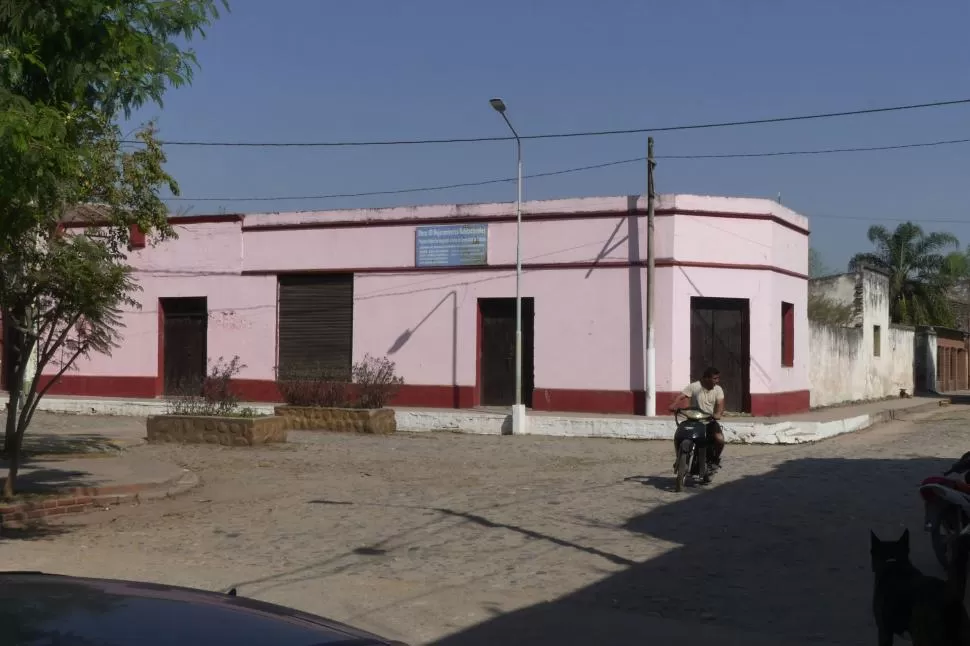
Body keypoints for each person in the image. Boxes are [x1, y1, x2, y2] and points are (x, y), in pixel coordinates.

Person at [668, 366, 726, 467]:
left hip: (709, 420)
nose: (717, 381)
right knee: (679, 436)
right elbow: (682, 396)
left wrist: (718, 414)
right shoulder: (694, 386)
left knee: (719, 439)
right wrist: (674, 404)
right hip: (693, 420)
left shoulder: (718, 389)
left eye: (718, 378)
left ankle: (715, 459)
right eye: (715, 378)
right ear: (706, 378)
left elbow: (720, 404)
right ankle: (679, 457)